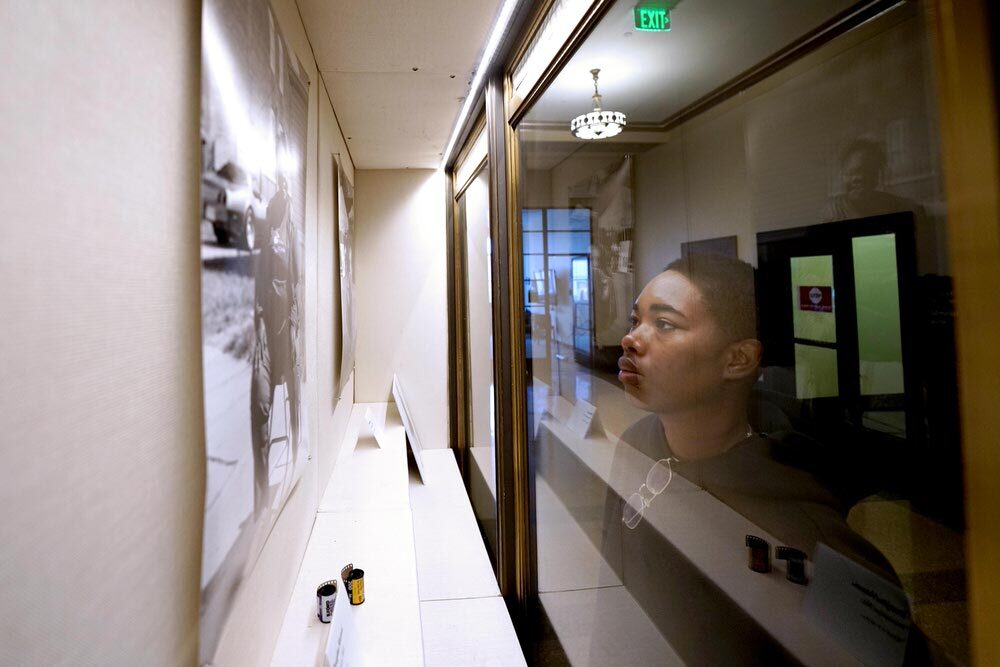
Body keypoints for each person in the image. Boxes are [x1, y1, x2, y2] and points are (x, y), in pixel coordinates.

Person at [250, 173, 301, 520]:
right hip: (265, 338)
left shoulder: (289, 242)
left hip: (287, 336)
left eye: (280, 213)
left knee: (293, 402)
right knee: (261, 407)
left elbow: (295, 288)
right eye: (274, 213)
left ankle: (297, 461)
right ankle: (262, 499)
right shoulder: (265, 244)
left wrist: (294, 326)